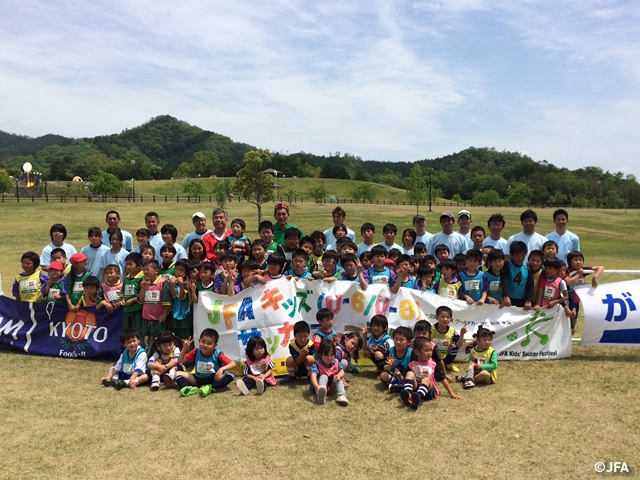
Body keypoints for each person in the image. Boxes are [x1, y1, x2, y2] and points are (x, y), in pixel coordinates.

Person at [175, 329, 237, 397]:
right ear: (199, 341)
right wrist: (184, 349)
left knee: (232, 375)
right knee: (177, 373)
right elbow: (180, 361)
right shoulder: (195, 352)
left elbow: (233, 364)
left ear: (215, 345)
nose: (205, 345)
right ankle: (187, 388)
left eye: (209, 343)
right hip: (197, 379)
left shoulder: (218, 354)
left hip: (213, 379)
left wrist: (221, 369)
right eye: (203, 342)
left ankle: (210, 387)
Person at [565, 251, 604, 333]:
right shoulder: (565, 271)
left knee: (573, 320)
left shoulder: (583, 270)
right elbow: (568, 282)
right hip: (565, 300)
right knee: (565, 321)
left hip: (576, 300)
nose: (579, 262)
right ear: (569, 262)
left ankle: (570, 337)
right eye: (575, 260)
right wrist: (578, 275)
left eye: (580, 260)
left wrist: (595, 277)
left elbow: (601, 267)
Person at [138, 259, 172, 347]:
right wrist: (142, 288)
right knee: (148, 337)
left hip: (158, 317)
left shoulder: (163, 283)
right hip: (146, 316)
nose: (145, 272)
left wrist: (164, 313)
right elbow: (141, 300)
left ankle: (152, 354)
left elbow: (167, 299)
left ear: (156, 271)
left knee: (156, 338)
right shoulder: (145, 283)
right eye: (144, 270)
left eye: (147, 269)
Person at [400, 336, 438, 409]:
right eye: (426, 350)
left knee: (426, 379)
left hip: (428, 391)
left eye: (431, 350)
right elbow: (403, 378)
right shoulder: (412, 364)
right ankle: (408, 394)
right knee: (409, 373)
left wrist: (451, 393)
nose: (429, 353)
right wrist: (398, 376)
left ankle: (418, 397)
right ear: (417, 352)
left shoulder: (433, 364)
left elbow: (442, 379)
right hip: (416, 388)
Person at [309, 339, 349, 406]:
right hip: (319, 386)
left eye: (332, 354)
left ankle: (342, 395)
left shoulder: (336, 361)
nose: (329, 357)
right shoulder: (317, 364)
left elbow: (342, 372)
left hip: (332, 387)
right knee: (323, 376)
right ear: (321, 354)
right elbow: (313, 376)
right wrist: (316, 386)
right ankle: (321, 393)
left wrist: (339, 375)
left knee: (337, 378)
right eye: (326, 355)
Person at [431, 305, 467, 372]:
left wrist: (462, 334)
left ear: (450, 319)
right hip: (433, 355)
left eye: (448, 317)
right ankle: (432, 363)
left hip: (445, 354)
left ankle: (447, 363)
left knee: (455, 347)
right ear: (436, 317)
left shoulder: (452, 330)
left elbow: (459, 345)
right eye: (443, 317)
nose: (445, 319)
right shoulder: (431, 329)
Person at [281, 320, 316, 384]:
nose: (302, 339)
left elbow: (310, 360)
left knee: (310, 358)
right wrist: (302, 354)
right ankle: (292, 376)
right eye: (300, 336)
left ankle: (310, 376)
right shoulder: (292, 345)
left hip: (307, 368)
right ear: (295, 336)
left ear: (308, 335)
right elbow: (297, 361)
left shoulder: (311, 345)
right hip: (297, 368)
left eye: (305, 336)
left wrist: (305, 355)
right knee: (289, 359)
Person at [501, 241, 534, 309]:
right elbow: (504, 281)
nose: (520, 258)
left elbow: (530, 284)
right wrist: (506, 296)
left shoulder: (527, 267)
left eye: (522, 255)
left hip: (522, 300)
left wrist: (529, 299)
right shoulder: (507, 265)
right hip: (508, 299)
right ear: (511, 254)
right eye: (517, 255)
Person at [381, 326, 413, 391]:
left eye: (402, 340)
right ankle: (397, 384)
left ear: (409, 342)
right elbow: (385, 368)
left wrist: (402, 376)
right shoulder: (389, 351)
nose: (398, 342)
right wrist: (389, 366)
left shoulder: (412, 353)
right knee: (383, 375)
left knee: (411, 376)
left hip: (405, 377)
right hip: (393, 376)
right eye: (396, 339)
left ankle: (397, 385)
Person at [168, 259, 193, 339]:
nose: (178, 272)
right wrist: (172, 285)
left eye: (181, 270)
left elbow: (182, 297)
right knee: (175, 336)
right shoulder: (173, 281)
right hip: (175, 311)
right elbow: (173, 296)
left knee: (185, 336)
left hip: (185, 312)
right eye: (177, 269)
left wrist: (181, 285)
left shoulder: (188, 283)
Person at [123, 252, 144, 332]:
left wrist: (133, 300)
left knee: (138, 333)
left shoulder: (142, 278)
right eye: (127, 264)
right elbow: (123, 292)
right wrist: (122, 299)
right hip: (127, 310)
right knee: (127, 332)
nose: (128, 267)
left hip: (137, 310)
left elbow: (143, 295)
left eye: (131, 264)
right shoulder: (126, 278)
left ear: (139, 266)